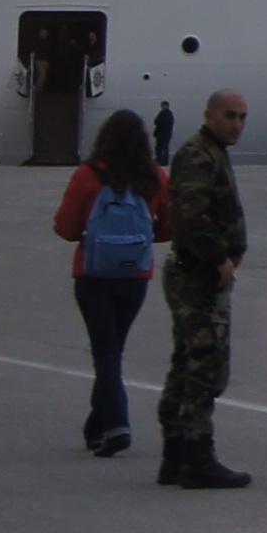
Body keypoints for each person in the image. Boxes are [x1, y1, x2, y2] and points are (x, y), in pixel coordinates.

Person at [48, 108, 168, 459]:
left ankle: (117, 425)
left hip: (93, 276)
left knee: (106, 352)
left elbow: (66, 228)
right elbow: (169, 227)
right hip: (135, 277)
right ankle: (96, 427)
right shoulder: (156, 177)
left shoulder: (88, 176)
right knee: (113, 350)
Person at [155, 87, 252, 489]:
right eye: (230, 115)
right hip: (199, 275)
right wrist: (218, 258)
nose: (237, 124)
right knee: (204, 364)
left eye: (242, 117)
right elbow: (190, 215)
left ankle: (176, 453)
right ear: (209, 115)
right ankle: (197, 454)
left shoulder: (211, 152)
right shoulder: (199, 154)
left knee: (188, 360)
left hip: (197, 273)